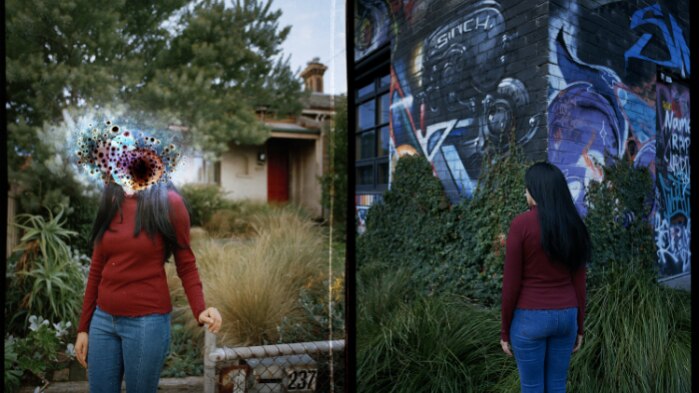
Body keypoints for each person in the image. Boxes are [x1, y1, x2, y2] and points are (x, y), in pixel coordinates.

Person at [74, 179, 222, 393]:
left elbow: (186, 264)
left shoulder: (169, 203)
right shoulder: (111, 197)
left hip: (146, 323)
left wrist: (200, 309)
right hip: (103, 321)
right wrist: (83, 328)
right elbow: (97, 268)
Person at [500, 162, 591, 393]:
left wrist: (504, 330)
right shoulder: (574, 224)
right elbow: (579, 282)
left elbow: (510, 285)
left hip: (530, 319)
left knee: (532, 388)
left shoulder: (521, 225)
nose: (525, 193)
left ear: (537, 190)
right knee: (557, 386)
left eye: (527, 188)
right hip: (566, 317)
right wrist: (579, 326)